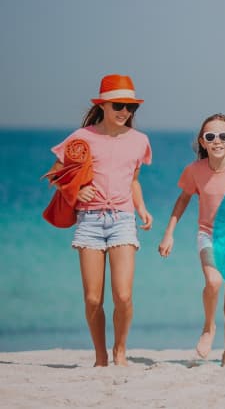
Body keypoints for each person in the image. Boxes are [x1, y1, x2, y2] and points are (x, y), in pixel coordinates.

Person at [45, 74, 153, 367]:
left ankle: (120, 349)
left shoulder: (139, 141)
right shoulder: (81, 138)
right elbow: (54, 174)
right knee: (93, 299)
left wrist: (142, 209)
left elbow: (133, 180)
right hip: (89, 222)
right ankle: (101, 356)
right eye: (118, 105)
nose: (125, 112)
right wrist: (76, 190)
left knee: (123, 295)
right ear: (102, 105)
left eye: (131, 107)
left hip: (123, 219)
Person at [157, 113, 225, 366]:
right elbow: (183, 200)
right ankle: (208, 327)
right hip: (207, 234)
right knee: (213, 281)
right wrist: (168, 233)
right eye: (210, 136)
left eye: (222, 136)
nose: (216, 140)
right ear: (202, 142)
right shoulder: (194, 170)